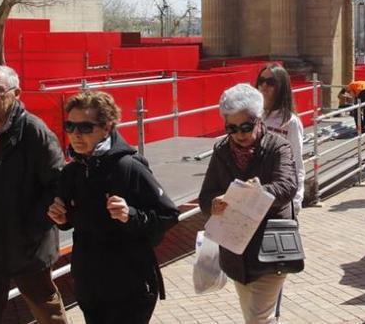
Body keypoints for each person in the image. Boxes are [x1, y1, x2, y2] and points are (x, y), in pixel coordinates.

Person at [47, 91, 179, 324]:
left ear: (106, 128)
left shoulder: (128, 166)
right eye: (70, 126)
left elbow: (168, 214)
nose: (76, 135)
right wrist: (61, 217)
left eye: (85, 127)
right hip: (90, 284)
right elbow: (70, 221)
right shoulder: (72, 171)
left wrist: (131, 215)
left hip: (130, 285)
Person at [0, 65, 69, 324]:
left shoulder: (34, 131)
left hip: (26, 244)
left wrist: (31, 227)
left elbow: (58, 183)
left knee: (45, 307)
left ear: (15, 93)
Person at [198, 84, 297, 324]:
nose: (239, 134)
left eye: (246, 126)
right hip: (236, 250)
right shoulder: (221, 150)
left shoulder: (278, 146)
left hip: (271, 246)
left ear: (259, 119)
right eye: (231, 128)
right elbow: (206, 195)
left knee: (256, 318)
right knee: (254, 315)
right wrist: (214, 203)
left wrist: (259, 192)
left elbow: (287, 186)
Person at [255, 63, 305, 321]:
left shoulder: (290, 122)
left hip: (279, 202)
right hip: (253, 200)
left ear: (281, 86)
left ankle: (272, 317)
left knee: (276, 264)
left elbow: (297, 163)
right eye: (261, 81)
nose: (264, 86)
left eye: (270, 82)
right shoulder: (253, 116)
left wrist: (296, 202)